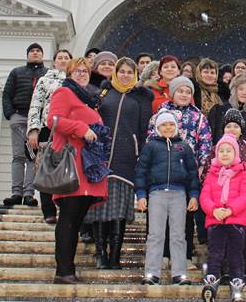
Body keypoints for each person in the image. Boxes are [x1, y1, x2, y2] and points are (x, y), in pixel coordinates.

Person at [45, 56, 108, 284]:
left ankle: (67, 268)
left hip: (87, 164)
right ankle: (64, 270)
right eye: (77, 71)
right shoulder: (64, 92)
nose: (82, 74)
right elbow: (53, 120)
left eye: (85, 71)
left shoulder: (88, 99)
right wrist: (81, 128)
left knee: (76, 217)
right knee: (69, 218)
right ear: (69, 73)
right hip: (72, 162)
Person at [86, 57, 151, 269]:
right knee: (98, 208)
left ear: (135, 75)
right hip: (101, 157)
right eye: (121, 71)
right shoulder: (104, 93)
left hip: (126, 159)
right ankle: (100, 253)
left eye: (129, 72)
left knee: (119, 209)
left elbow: (143, 129)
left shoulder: (140, 97)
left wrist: (140, 152)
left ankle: (115, 255)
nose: (125, 75)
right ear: (115, 72)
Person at [148, 76, 212, 262]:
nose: (184, 95)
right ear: (172, 93)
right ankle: (163, 255)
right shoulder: (161, 113)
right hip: (163, 171)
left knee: (186, 216)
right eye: (180, 91)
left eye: (188, 92)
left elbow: (205, 143)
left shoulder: (198, 116)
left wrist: (201, 166)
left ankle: (185, 255)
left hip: (187, 173)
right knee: (162, 216)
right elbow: (151, 139)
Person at [135, 111, 200, 285]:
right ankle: (151, 273)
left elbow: (193, 174)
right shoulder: (151, 147)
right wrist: (141, 194)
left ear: (176, 126)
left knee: (178, 234)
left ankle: (179, 273)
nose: (168, 128)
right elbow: (141, 171)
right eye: (163, 125)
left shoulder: (184, 147)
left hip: (179, 194)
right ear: (157, 127)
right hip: (156, 193)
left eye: (171, 124)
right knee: (155, 234)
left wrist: (193, 195)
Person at [200, 134, 246, 302]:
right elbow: (205, 196)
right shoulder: (211, 174)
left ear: (235, 153)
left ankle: (236, 281)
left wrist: (231, 210)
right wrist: (214, 210)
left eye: (228, 150)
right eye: (221, 151)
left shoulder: (242, 173)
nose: (224, 154)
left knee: (236, 253)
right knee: (215, 253)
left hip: (235, 221)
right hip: (216, 221)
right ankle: (212, 279)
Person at [26, 49, 72, 223]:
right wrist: (33, 130)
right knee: (46, 169)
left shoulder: (73, 81)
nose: (63, 60)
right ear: (54, 62)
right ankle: (48, 210)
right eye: (60, 58)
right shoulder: (44, 80)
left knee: (67, 168)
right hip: (48, 128)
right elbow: (36, 105)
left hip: (67, 129)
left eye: (66, 58)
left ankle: (66, 208)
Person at [1, 42, 48, 207]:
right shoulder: (17, 72)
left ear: (42, 55)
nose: (35, 53)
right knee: (18, 156)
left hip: (37, 121)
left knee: (32, 156)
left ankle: (29, 193)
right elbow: (7, 94)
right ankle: (16, 193)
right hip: (19, 117)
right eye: (32, 51)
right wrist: (10, 114)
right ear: (28, 54)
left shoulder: (47, 74)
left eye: (38, 51)